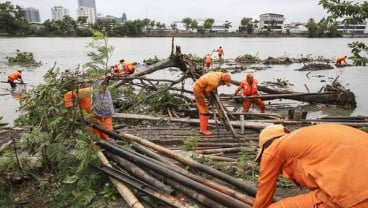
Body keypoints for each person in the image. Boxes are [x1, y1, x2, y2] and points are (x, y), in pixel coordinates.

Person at [253, 123, 368, 208]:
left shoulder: (274, 149)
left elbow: (264, 192)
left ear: (266, 145)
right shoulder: (305, 140)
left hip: (356, 195)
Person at [64, 76, 114, 140]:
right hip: (91, 120)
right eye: (102, 84)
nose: (104, 86)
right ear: (97, 84)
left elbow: (108, 111)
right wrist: (71, 107)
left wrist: (108, 128)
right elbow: (68, 95)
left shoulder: (106, 94)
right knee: (95, 140)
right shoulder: (87, 91)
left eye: (106, 84)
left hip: (104, 120)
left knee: (107, 138)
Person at [193, 72, 231, 136]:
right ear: (222, 80)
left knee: (202, 108)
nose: (224, 85)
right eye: (224, 83)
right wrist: (209, 98)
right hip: (198, 90)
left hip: (200, 86)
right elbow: (207, 91)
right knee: (204, 110)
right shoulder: (214, 83)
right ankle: (203, 130)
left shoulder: (220, 74)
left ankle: (204, 126)